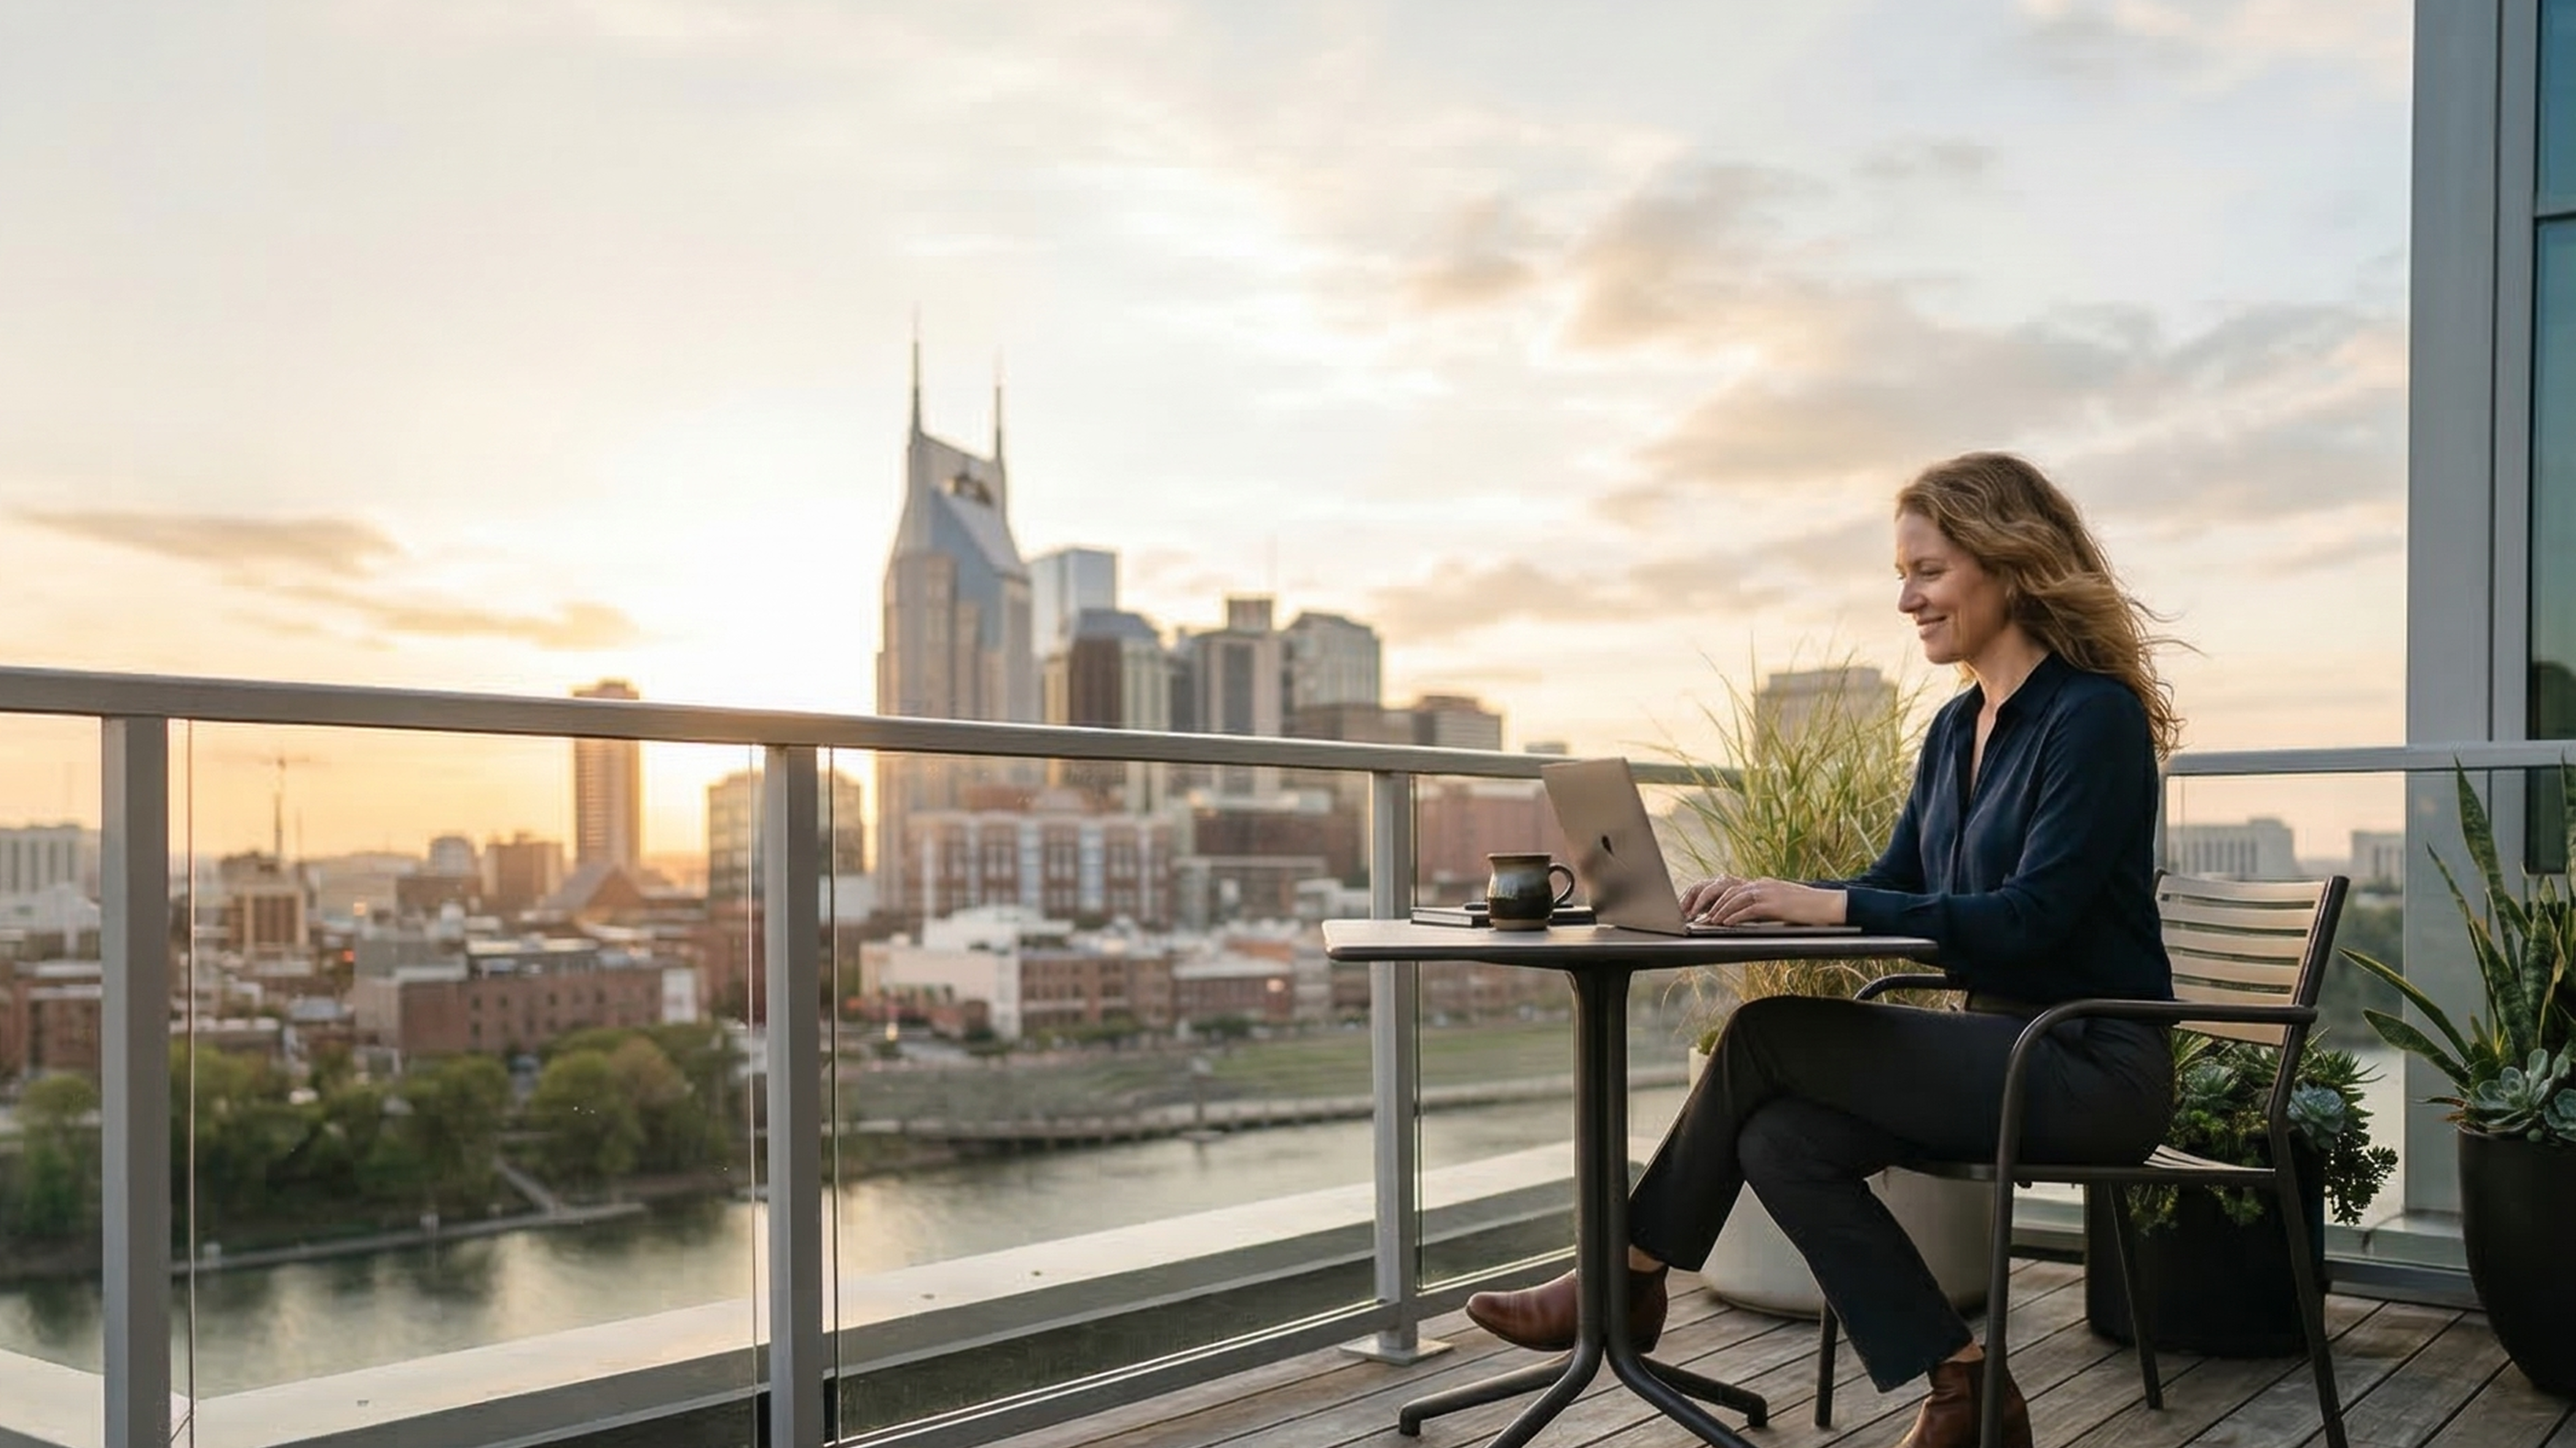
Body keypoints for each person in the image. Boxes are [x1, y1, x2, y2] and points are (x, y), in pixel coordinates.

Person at [1465, 452, 2182, 1448]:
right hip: (2003, 1050)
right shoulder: (1952, 732)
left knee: (1761, 1036)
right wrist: (1759, 906)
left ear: (2009, 563)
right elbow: (1896, 891)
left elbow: (2032, 921)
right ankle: (1966, 1385)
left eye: (1926, 571)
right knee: (1780, 1140)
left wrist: (1827, 904)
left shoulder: (2089, 717)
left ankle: (1623, 1280)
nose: (1905, 599)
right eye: (1903, 573)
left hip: (2090, 1063)